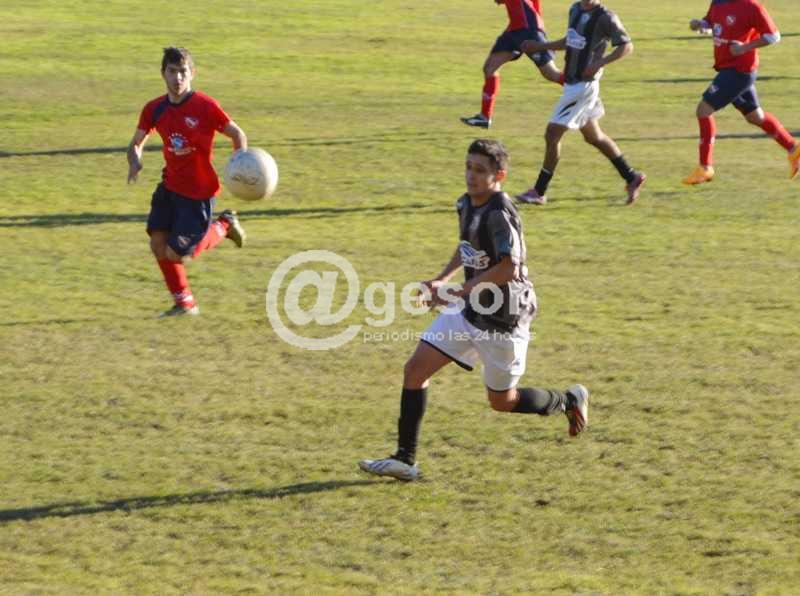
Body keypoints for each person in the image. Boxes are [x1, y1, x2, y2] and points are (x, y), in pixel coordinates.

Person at [359, 139, 589, 481]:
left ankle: (567, 401)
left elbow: (509, 268)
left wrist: (458, 291)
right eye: (468, 167)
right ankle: (405, 459)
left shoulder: (501, 212)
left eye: (480, 170)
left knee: (502, 402)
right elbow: (468, 245)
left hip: (504, 319)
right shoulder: (465, 203)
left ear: (500, 176)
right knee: (415, 371)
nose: (471, 175)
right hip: (470, 310)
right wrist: (442, 279)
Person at [127, 47, 249, 317]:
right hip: (169, 188)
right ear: (163, 74)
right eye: (172, 72)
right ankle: (185, 304)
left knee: (178, 255)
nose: (178, 78)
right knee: (158, 244)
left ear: (192, 73)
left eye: (183, 72)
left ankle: (224, 224)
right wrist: (134, 160)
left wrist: (239, 163)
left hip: (198, 194)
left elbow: (237, 134)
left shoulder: (205, 106)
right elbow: (136, 142)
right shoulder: (154, 108)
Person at [515, 0, 646, 206]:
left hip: (583, 87)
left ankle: (539, 191)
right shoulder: (575, 9)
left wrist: (599, 63)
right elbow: (571, 40)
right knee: (594, 137)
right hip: (572, 83)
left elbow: (626, 46)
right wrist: (540, 46)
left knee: (552, 134)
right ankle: (631, 176)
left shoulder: (606, 17)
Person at [683, 0, 800, 185]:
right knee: (755, 117)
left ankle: (705, 167)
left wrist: (744, 47)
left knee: (703, 110)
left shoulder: (751, 7)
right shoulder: (718, 2)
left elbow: (773, 36)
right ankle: (794, 149)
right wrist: (701, 24)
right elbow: (712, 23)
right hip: (727, 68)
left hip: (739, 71)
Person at [461, 0, 564, 129]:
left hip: (528, 27)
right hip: (514, 28)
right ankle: (484, 117)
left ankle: (581, 89)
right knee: (489, 68)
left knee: (551, 73)